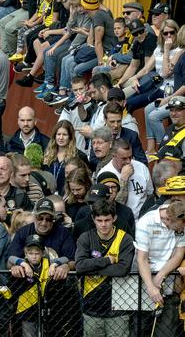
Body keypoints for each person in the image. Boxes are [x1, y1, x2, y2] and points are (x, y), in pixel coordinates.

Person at [75, 199, 134, 337]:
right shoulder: (86, 237)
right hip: (91, 306)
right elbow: (79, 266)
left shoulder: (125, 239)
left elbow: (122, 270)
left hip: (119, 306)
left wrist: (90, 268)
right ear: (93, 219)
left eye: (107, 220)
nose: (103, 224)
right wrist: (107, 260)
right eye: (99, 220)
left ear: (114, 218)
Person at [135, 200, 185, 337]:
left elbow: (179, 254)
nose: (182, 230)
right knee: (140, 331)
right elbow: (142, 258)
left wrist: (160, 275)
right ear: (169, 219)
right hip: (143, 288)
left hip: (169, 287)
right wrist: (151, 287)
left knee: (166, 333)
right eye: (179, 228)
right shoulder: (146, 222)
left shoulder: (181, 222)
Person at [98, 139, 153, 218]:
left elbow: (150, 194)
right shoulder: (105, 174)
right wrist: (124, 178)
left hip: (141, 219)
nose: (128, 162)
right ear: (113, 156)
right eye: (124, 158)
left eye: (130, 157)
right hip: (119, 220)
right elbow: (110, 206)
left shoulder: (141, 167)